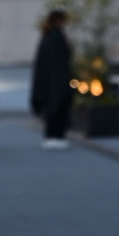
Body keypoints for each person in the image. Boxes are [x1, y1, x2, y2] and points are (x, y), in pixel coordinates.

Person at [32, 9, 74, 148]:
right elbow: (63, 59)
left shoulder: (47, 36)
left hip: (48, 79)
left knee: (52, 107)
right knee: (59, 107)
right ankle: (57, 135)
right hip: (58, 78)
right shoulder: (57, 37)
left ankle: (51, 135)